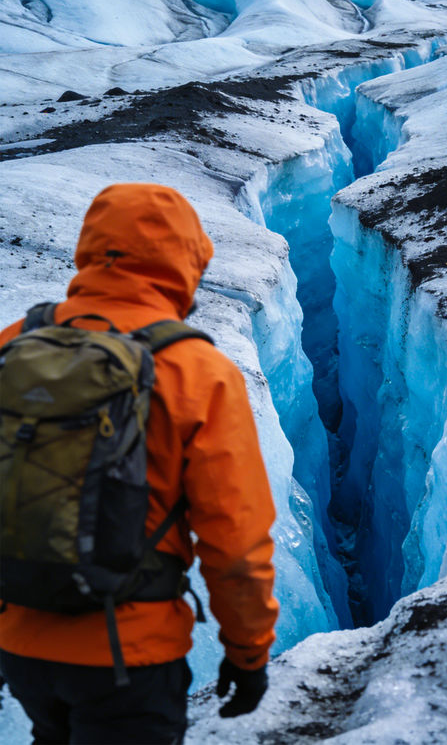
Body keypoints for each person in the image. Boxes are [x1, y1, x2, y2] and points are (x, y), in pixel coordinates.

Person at [0, 183, 279, 744]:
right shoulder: (198, 371)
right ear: (185, 261)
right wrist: (247, 654)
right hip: (128, 651)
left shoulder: (14, 344)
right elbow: (235, 540)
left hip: (20, 640)